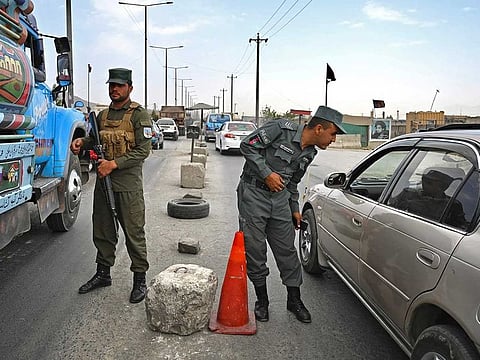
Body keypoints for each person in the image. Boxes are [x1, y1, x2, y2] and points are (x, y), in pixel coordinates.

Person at [237, 105, 346, 323]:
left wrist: (295, 209)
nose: (333, 139)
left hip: (280, 202)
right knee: (255, 250)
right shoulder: (280, 128)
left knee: (287, 250)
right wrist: (267, 174)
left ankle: (293, 300)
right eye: (333, 133)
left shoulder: (310, 152)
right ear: (318, 129)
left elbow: (293, 183)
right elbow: (247, 146)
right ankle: (262, 301)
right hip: (253, 195)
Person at [70, 68, 152, 303]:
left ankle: (140, 280)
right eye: (111, 85)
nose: (114, 89)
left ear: (130, 88)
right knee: (103, 229)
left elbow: (143, 150)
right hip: (104, 183)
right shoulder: (102, 116)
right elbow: (95, 140)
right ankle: (103, 274)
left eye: (119, 85)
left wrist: (114, 164)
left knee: (134, 232)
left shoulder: (139, 115)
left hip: (128, 185)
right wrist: (81, 143)